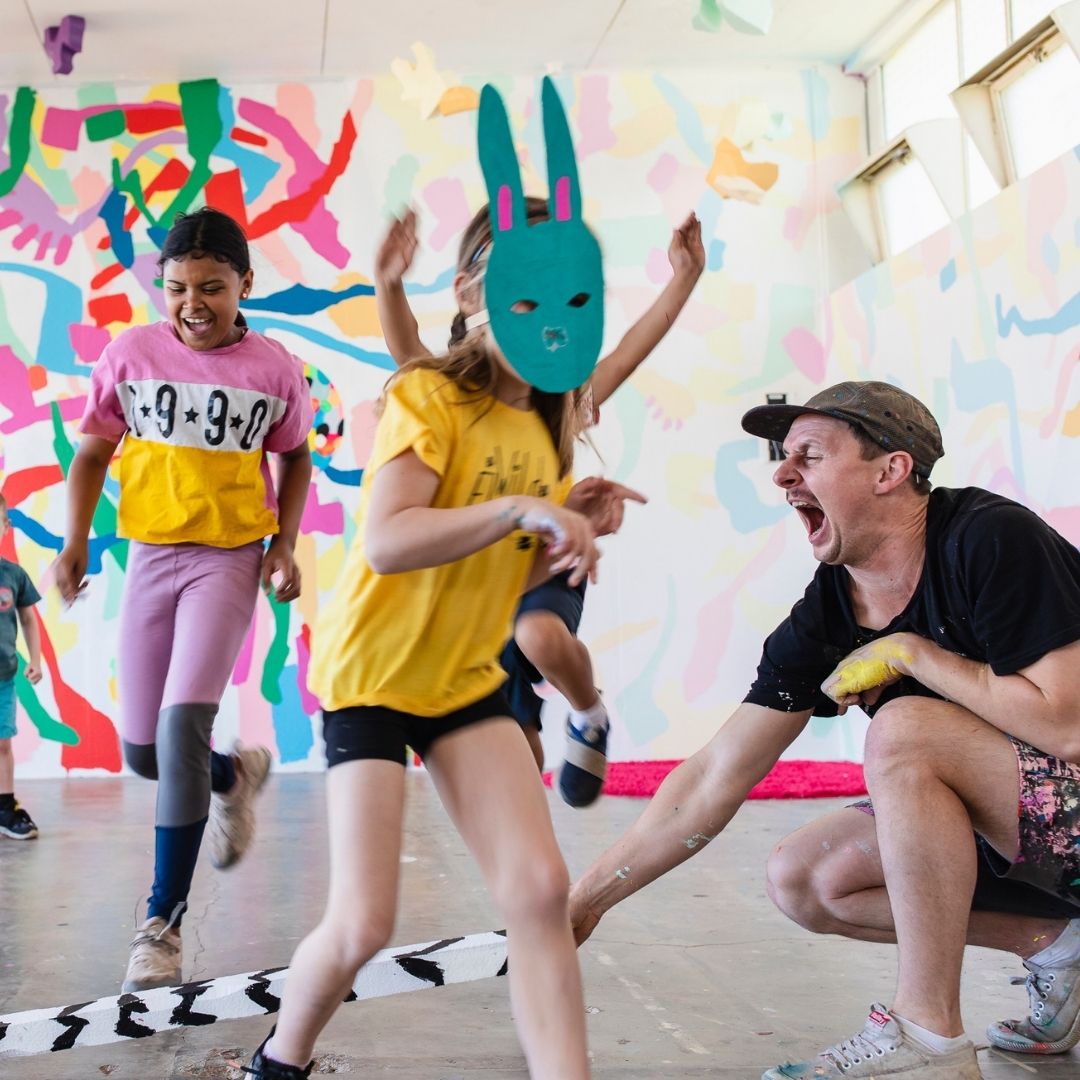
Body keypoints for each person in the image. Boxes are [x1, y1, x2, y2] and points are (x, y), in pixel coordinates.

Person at [244, 78, 643, 1080]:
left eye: (571, 296)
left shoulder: (545, 427)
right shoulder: (428, 395)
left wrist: (571, 515)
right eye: (526, 290)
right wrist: (523, 510)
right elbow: (389, 542)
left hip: (468, 684)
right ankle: (279, 1061)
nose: (552, 315)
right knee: (365, 918)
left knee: (540, 889)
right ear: (474, 296)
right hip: (376, 678)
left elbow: (516, 530)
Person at [567, 380, 1080, 1079]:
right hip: (1030, 834)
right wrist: (586, 900)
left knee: (905, 727)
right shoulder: (829, 614)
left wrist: (912, 655)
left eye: (808, 455)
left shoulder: (990, 540)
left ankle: (928, 1040)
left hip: (1067, 803)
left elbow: (1067, 726)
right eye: (783, 458)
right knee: (806, 876)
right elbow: (718, 774)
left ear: (890, 471)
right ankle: (1056, 944)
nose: (781, 473)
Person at [55, 207, 313, 993]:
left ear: (244, 286)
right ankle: (236, 776)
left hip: (228, 560)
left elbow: (295, 456)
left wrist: (284, 544)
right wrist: (72, 543)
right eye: (176, 289)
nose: (192, 303)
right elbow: (93, 452)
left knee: (180, 730)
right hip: (150, 557)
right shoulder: (131, 354)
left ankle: (160, 924)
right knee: (142, 753)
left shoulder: (273, 368)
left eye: (212, 287)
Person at [375, 204, 702, 804]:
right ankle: (525, 852)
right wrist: (389, 282)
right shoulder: (448, 398)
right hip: (477, 583)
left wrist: (683, 277)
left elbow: (628, 351)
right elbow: (408, 352)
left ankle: (589, 712)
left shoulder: (557, 396)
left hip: (546, 560)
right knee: (513, 745)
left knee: (539, 635)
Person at [0, 495, 44, 840]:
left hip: (4, 678)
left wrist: (36, 660)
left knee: (2, 744)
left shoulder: (13, 575)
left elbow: (28, 619)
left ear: (5, 527)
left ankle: (4, 808)